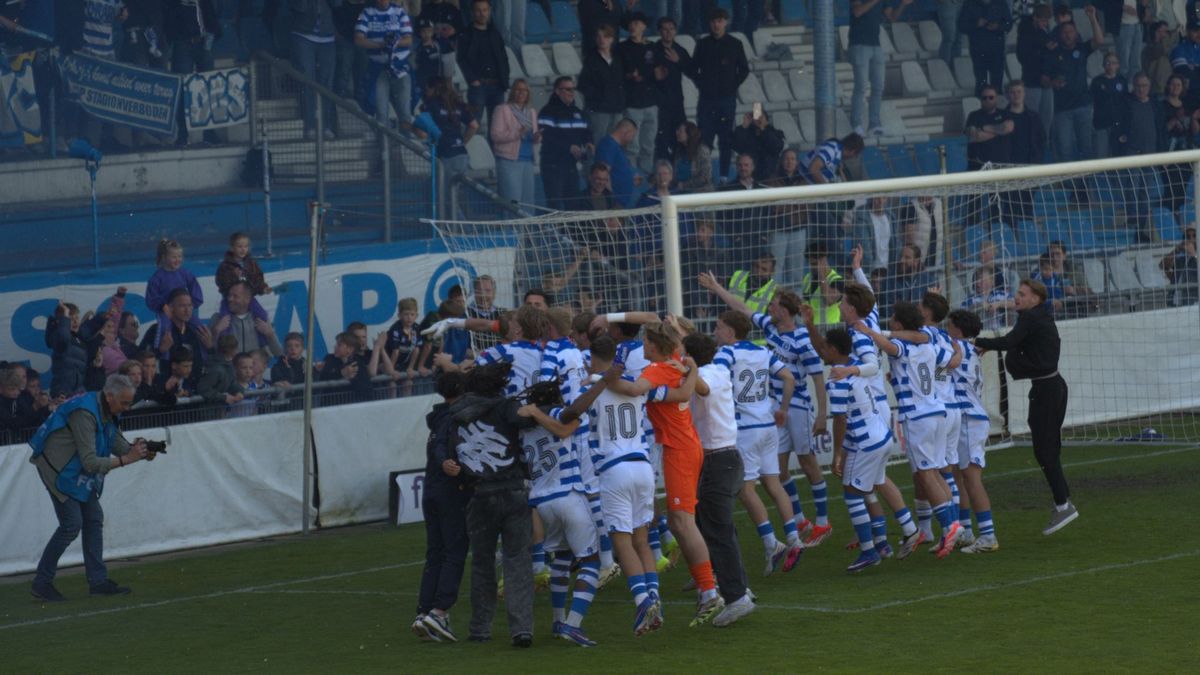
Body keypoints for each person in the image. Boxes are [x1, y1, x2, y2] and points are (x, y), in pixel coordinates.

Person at [603, 321, 723, 626]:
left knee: (682, 522)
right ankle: (707, 588)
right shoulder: (678, 363)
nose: (642, 348)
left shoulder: (656, 369)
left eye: (646, 344)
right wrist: (690, 368)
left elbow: (634, 389)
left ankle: (709, 590)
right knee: (682, 520)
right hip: (685, 444)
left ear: (654, 347)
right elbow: (694, 391)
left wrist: (601, 382)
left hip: (679, 449)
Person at [28, 374, 157, 601]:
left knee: (93, 518)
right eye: (124, 403)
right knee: (71, 524)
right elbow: (91, 462)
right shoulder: (85, 413)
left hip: (72, 469)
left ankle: (97, 582)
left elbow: (118, 445)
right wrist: (129, 459)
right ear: (109, 396)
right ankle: (42, 582)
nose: (127, 408)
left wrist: (140, 451)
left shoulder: (105, 409)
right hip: (57, 469)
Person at [855, 303, 963, 558]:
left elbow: (891, 346)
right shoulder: (929, 345)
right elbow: (950, 361)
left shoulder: (903, 347)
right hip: (937, 412)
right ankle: (951, 523)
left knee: (925, 474)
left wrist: (870, 332)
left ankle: (950, 525)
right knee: (935, 472)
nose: (890, 323)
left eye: (892, 320)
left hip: (918, 416)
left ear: (899, 324)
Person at [446, 361, 539, 646]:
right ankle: (521, 628)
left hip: (478, 495)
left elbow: (452, 452)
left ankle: (480, 628)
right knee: (517, 561)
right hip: (512, 491)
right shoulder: (506, 407)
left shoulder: (456, 414)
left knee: (482, 563)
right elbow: (530, 421)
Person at [975, 279, 1078, 534]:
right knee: (1048, 448)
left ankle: (1063, 504)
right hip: (1052, 387)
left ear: (1035, 299)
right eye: (1016, 293)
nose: (1016, 298)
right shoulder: (1038, 315)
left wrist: (980, 342)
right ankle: (1063, 500)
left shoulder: (1031, 318)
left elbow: (1010, 341)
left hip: (1047, 391)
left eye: (1021, 294)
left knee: (1045, 451)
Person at [818, 328, 899, 571]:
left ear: (833, 349)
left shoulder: (837, 380)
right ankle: (882, 542)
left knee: (852, 493)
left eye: (823, 346)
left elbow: (840, 420)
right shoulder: (856, 367)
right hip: (882, 435)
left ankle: (868, 551)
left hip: (864, 443)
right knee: (868, 490)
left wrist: (837, 455)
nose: (821, 350)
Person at [412, 370, 471, 642]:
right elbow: (442, 450)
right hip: (449, 492)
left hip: (431, 491)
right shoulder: (455, 418)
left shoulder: (437, 419)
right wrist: (449, 465)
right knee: (454, 551)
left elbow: (435, 447)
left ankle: (424, 611)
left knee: (435, 552)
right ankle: (439, 611)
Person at [946, 309, 1000, 553]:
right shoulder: (969, 350)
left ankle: (988, 536)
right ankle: (966, 530)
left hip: (969, 418)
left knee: (971, 478)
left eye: (949, 325)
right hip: (966, 417)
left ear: (957, 330)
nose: (946, 329)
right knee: (960, 475)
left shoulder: (957, 347)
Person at [688, 8, 749, 180]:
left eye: (720, 21)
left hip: (726, 100)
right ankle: (704, 176)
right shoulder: (702, 44)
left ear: (726, 22)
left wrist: (731, 85)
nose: (717, 24)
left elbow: (744, 70)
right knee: (705, 139)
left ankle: (723, 176)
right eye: (714, 21)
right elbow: (693, 69)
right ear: (710, 23)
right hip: (707, 100)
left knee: (726, 140)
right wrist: (702, 84)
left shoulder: (735, 44)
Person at [1047, 7, 1105, 162]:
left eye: (1071, 32)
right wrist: (1053, 82)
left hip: (1083, 106)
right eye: (1065, 32)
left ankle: (1087, 186)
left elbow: (1099, 40)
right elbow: (1043, 79)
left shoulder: (1082, 49)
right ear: (1060, 34)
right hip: (1062, 109)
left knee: (1086, 148)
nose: (1068, 35)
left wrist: (1092, 17)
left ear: (1076, 33)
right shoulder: (1053, 52)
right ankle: (1073, 186)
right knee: (1065, 150)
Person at [848, 0, 913, 136]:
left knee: (878, 86)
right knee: (861, 86)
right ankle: (856, 124)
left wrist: (903, 4)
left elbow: (892, 18)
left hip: (875, 44)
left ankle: (874, 124)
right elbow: (857, 11)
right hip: (859, 43)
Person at [355, 0, 414, 133]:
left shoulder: (399, 12)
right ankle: (384, 149)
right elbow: (359, 39)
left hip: (400, 68)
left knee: (405, 112)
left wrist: (394, 43)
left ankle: (407, 143)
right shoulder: (366, 13)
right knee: (381, 112)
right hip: (377, 68)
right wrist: (381, 45)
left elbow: (409, 39)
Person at [538, 76, 592, 212]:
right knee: (555, 206)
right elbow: (547, 137)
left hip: (571, 166)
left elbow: (586, 132)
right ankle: (555, 233)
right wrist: (568, 147)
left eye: (573, 89)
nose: (571, 92)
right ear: (557, 91)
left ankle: (570, 233)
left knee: (573, 206)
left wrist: (589, 143)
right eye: (567, 89)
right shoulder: (547, 112)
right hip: (553, 166)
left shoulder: (578, 112)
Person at [290, 0, 339, 141]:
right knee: (307, 81)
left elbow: (337, 4)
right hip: (303, 33)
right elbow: (298, 6)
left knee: (327, 84)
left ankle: (327, 126)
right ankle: (309, 126)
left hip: (327, 35)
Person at [619, 12, 662, 175]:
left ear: (644, 26)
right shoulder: (622, 48)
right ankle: (632, 177)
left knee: (649, 145)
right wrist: (630, 76)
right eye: (630, 23)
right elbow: (619, 74)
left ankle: (645, 178)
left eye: (636, 23)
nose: (633, 26)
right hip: (632, 104)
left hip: (651, 103)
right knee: (632, 146)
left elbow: (658, 71)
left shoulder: (652, 47)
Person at [456, 0, 509, 129]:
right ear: (473, 12)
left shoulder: (495, 33)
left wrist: (504, 80)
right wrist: (472, 80)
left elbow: (503, 58)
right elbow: (461, 59)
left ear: (489, 11)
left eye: (485, 10)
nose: (482, 14)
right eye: (478, 10)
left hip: (497, 86)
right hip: (478, 86)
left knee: (497, 127)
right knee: (474, 125)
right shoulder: (466, 34)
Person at [490, 79, 540, 208]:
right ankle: (512, 229)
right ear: (512, 91)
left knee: (528, 205)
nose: (521, 93)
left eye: (525, 90)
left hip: (527, 160)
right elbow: (495, 135)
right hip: (509, 161)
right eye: (518, 89)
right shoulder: (502, 109)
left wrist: (537, 137)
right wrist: (517, 133)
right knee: (513, 204)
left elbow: (532, 135)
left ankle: (527, 229)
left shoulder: (531, 112)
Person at [145, 239, 204, 347]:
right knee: (164, 330)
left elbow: (195, 291)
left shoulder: (185, 274)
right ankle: (161, 356)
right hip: (166, 312)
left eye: (180, 256)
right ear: (164, 257)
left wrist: (191, 306)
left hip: (184, 309)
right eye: (174, 257)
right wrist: (163, 306)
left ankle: (204, 355)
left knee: (201, 328)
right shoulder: (156, 278)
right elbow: (152, 298)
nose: (178, 260)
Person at [579, 23, 626, 146]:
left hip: (616, 108)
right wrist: (599, 98)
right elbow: (583, 85)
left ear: (612, 39)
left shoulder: (618, 59)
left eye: (605, 36)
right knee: (597, 143)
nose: (602, 40)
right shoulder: (591, 60)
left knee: (615, 144)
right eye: (599, 36)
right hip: (599, 110)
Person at [653, 17, 692, 164]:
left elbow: (692, 72)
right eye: (664, 29)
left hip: (676, 102)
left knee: (681, 138)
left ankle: (678, 171)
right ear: (659, 31)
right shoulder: (653, 50)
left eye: (671, 29)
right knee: (661, 140)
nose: (668, 32)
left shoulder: (680, 50)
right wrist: (654, 75)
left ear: (675, 31)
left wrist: (679, 61)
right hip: (658, 102)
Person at [1016, 3, 1055, 146]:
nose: (1045, 23)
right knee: (1032, 118)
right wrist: (1043, 47)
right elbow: (1023, 57)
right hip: (1032, 81)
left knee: (1046, 120)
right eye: (1043, 20)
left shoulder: (1045, 32)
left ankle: (1043, 145)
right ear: (1035, 17)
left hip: (1046, 81)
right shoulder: (1025, 32)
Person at [210, 282, 283, 356]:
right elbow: (209, 355)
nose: (230, 299)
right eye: (229, 295)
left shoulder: (261, 319)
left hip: (253, 367)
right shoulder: (217, 319)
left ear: (247, 299)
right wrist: (216, 332)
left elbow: (278, 353)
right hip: (228, 367)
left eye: (235, 296)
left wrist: (270, 334)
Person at [215, 232, 272, 324]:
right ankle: (225, 338)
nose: (243, 249)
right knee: (224, 320)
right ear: (232, 248)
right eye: (240, 246)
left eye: (246, 246)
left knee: (262, 317)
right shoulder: (225, 265)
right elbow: (220, 282)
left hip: (248, 299)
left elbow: (257, 279)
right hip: (230, 300)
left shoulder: (251, 264)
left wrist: (263, 288)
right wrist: (234, 277)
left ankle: (262, 338)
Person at [959, 0, 1012, 96]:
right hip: (978, 50)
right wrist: (976, 24)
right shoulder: (969, 4)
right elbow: (961, 26)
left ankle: (997, 108)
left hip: (997, 49)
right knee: (981, 82)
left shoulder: (1000, 3)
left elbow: (1009, 24)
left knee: (997, 83)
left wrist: (998, 27)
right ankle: (981, 108)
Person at [595, 118, 642, 208]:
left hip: (621, 202)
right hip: (614, 203)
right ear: (627, 132)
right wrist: (611, 200)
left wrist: (630, 180)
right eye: (633, 135)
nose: (632, 140)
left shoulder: (616, 147)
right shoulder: (608, 145)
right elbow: (603, 174)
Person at [965, 84, 1013, 170]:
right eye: (984, 98)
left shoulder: (1005, 113)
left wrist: (984, 128)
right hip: (979, 166)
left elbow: (1008, 128)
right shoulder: (974, 115)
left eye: (991, 97)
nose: (987, 100)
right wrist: (1000, 131)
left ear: (996, 98)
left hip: (1002, 166)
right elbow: (975, 136)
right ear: (980, 99)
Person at [1090, 52, 1128, 159]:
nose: (1110, 66)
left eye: (1113, 63)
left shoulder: (1122, 81)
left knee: (1117, 156)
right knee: (1101, 155)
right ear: (1103, 65)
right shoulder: (1097, 81)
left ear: (1118, 65)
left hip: (1118, 124)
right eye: (1108, 63)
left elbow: (1125, 103)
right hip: (1101, 124)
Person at [731, 112, 786, 181]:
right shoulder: (746, 134)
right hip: (749, 177)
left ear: (766, 120)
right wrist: (744, 126)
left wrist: (763, 129)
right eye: (756, 117)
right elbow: (736, 146)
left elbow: (776, 147)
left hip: (769, 177)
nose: (758, 120)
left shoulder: (775, 133)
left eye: (761, 117)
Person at [673, 122, 713, 193]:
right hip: (680, 192)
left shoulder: (702, 150)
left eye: (680, 131)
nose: (677, 133)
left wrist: (685, 185)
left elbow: (705, 177)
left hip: (700, 193)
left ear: (689, 134)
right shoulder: (679, 152)